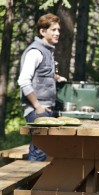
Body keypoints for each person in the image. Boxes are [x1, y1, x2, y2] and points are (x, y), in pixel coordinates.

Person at [18, 13, 66, 161]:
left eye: (58, 30)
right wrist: (37, 106)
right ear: (43, 31)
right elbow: (24, 81)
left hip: (46, 109)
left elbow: (41, 74)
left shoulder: (47, 50)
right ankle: (25, 185)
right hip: (37, 111)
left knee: (48, 152)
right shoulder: (35, 52)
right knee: (39, 153)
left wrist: (55, 78)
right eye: (53, 30)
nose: (57, 33)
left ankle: (39, 184)